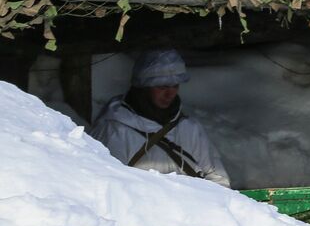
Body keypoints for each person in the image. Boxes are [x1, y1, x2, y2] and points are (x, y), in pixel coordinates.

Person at [90, 49, 230, 186]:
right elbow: (108, 185)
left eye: (175, 86)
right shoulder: (115, 130)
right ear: (144, 87)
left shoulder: (190, 128)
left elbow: (217, 179)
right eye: (162, 87)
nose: (170, 93)